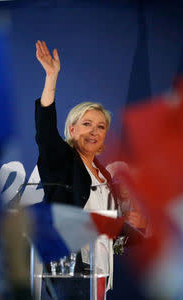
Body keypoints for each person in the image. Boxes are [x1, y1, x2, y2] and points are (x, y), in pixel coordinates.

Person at [34, 40, 146, 300]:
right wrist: (51, 77)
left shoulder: (104, 174)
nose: (94, 132)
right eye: (86, 124)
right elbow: (45, 132)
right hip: (69, 271)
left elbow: (106, 222)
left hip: (100, 273)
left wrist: (145, 240)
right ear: (72, 130)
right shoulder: (62, 161)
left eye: (100, 126)